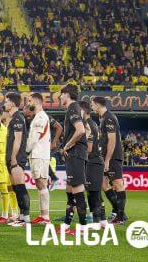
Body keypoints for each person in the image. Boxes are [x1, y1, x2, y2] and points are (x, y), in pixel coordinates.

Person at [59, 84, 89, 233]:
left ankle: (83, 226)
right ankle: (66, 224)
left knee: (77, 189)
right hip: (75, 153)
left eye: (61, 94)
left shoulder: (73, 108)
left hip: (76, 153)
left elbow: (81, 131)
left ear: (66, 94)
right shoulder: (76, 108)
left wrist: (66, 146)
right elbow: (86, 131)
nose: (59, 97)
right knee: (70, 189)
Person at [92, 96, 126, 224]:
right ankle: (118, 211)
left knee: (118, 184)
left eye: (93, 105)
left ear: (98, 105)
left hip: (112, 157)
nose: (92, 107)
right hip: (106, 156)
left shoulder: (109, 117)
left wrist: (107, 160)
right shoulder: (103, 118)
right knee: (103, 184)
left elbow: (112, 140)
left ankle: (120, 217)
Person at [4, 92, 30, 226]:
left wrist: (13, 157)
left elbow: (18, 140)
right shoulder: (13, 118)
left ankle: (25, 218)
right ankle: (21, 216)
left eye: (6, 101)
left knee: (20, 187)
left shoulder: (18, 118)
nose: (4, 104)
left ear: (12, 103)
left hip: (17, 158)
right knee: (16, 188)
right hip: (10, 158)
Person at [25, 93, 52, 224]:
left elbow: (34, 139)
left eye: (29, 101)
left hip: (39, 154)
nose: (28, 103)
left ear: (36, 102)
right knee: (40, 184)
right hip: (38, 154)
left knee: (41, 183)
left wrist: (24, 151)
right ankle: (43, 215)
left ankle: (45, 216)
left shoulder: (40, 117)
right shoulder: (39, 117)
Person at [80, 100, 105, 225]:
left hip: (93, 162)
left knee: (93, 194)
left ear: (83, 111)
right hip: (96, 162)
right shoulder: (93, 123)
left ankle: (96, 222)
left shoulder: (87, 125)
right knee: (95, 193)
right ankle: (103, 221)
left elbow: (88, 149)